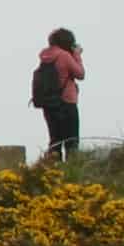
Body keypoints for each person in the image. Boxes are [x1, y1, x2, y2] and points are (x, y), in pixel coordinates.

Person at [35, 27, 85, 157]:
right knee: (71, 141)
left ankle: (53, 169)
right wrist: (77, 55)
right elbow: (80, 74)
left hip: (49, 103)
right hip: (67, 102)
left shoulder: (45, 57)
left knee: (55, 140)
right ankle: (71, 170)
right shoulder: (64, 55)